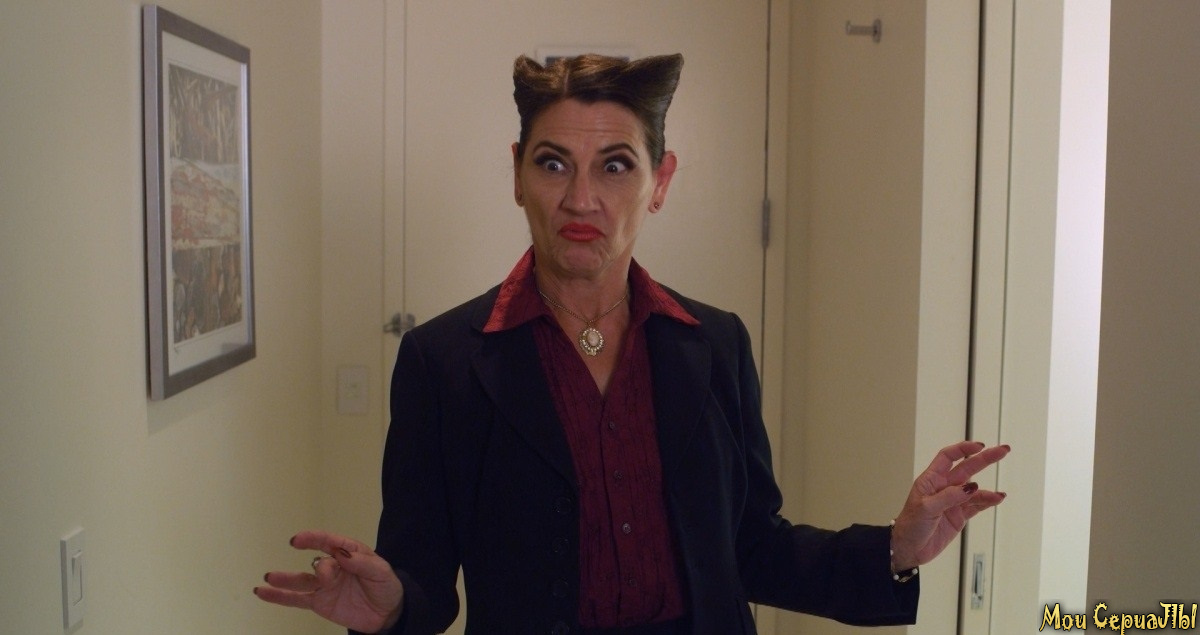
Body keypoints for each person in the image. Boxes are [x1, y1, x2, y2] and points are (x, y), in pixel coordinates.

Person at [254, 53, 1010, 635]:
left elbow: (753, 547)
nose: (581, 198)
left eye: (616, 165)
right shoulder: (444, 361)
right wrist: (392, 610)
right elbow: (421, 578)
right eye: (553, 163)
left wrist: (894, 548)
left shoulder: (714, 344)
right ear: (517, 174)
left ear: (661, 181)